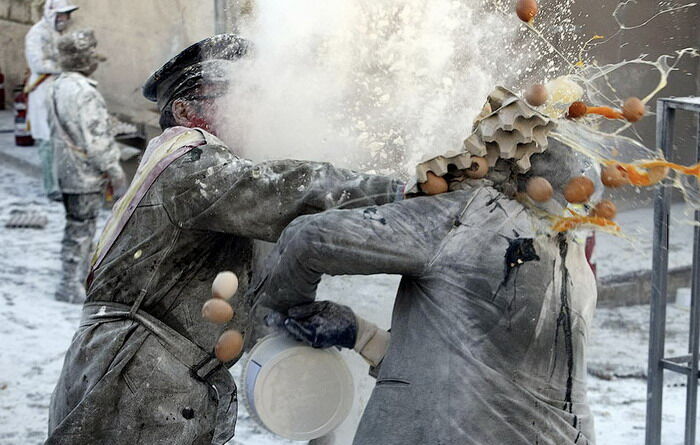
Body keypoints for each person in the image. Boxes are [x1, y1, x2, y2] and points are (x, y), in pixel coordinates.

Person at [47, 34, 405, 445]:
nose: (252, 111)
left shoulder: (197, 181)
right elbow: (281, 189)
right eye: (234, 98)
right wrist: (397, 193)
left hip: (140, 373)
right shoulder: (188, 163)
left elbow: (228, 300)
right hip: (130, 375)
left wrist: (351, 332)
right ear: (184, 110)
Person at [252, 93, 599, 445]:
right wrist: (362, 335)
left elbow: (308, 240)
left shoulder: (473, 215)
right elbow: (481, 372)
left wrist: (288, 309)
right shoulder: (571, 257)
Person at [47, 29, 127, 304]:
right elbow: (96, 141)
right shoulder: (84, 92)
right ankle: (71, 284)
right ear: (83, 59)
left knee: (76, 226)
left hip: (66, 169)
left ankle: (75, 278)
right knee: (83, 227)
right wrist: (114, 170)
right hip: (84, 173)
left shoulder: (58, 86)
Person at [25, 0, 78, 200]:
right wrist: (66, 65)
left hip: (59, 91)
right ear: (51, 14)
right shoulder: (36, 34)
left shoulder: (58, 34)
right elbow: (38, 64)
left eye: (67, 15)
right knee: (47, 140)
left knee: (62, 139)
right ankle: (51, 187)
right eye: (62, 15)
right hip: (42, 92)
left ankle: (63, 183)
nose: (66, 19)